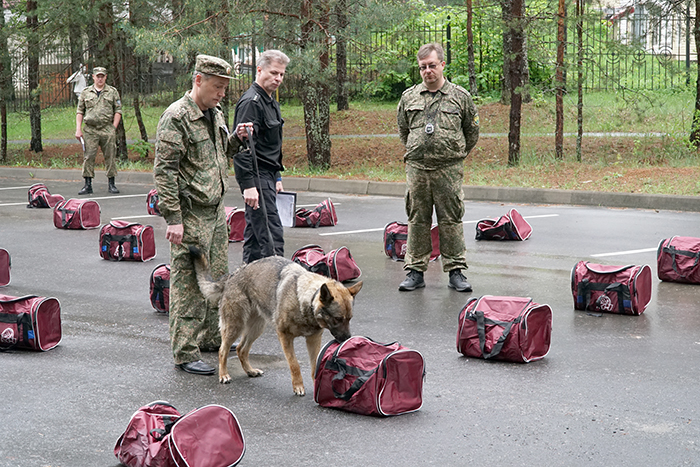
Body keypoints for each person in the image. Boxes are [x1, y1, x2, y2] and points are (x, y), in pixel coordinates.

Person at [154, 54, 250, 375]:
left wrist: (238, 139)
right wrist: (173, 218)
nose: (222, 93)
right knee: (189, 282)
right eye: (217, 86)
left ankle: (212, 337)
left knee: (218, 277)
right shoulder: (176, 117)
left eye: (225, 88)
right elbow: (164, 171)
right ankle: (184, 350)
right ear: (198, 80)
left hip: (215, 211)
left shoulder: (215, 113)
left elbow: (221, 153)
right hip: (190, 212)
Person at [396, 42, 480, 293]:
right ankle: (415, 271)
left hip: (448, 169)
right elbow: (403, 130)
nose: (427, 71)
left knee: (451, 219)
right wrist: (418, 150)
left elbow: (472, 131)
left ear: (442, 65)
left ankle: (456, 271)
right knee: (417, 218)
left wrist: (455, 153)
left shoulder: (460, 97)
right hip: (418, 169)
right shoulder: (408, 97)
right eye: (423, 67)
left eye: (432, 65)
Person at [233, 49, 290, 264]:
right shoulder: (252, 103)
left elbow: (271, 144)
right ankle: (276, 287)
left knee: (256, 239)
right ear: (259, 70)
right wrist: (248, 185)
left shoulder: (269, 100)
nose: (278, 78)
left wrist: (276, 177)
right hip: (256, 177)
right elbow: (241, 147)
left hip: (267, 176)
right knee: (271, 236)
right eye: (274, 72)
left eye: (282, 75)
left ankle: (248, 286)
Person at [75, 66, 122, 195]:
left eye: (102, 76)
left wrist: (113, 127)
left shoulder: (112, 92)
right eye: (98, 76)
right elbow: (80, 111)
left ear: (105, 77)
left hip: (107, 128)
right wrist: (78, 129)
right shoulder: (86, 92)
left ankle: (111, 183)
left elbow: (118, 110)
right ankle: (87, 184)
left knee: (110, 156)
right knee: (89, 156)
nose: (100, 79)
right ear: (93, 77)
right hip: (90, 129)